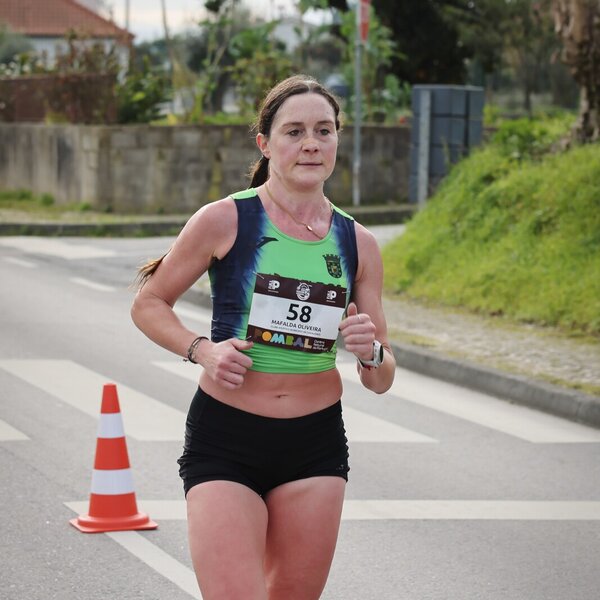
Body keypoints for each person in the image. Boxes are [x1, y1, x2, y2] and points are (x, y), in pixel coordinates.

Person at [131, 74, 396, 600]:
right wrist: (202, 350)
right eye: (294, 132)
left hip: (315, 445)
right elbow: (148, 303)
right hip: (227, 438)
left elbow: (382, 378)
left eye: (324, 130)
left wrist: (370, 350)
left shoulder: (358, 242)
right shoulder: (226, 219)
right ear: (265, 144)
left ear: (337, 140)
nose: (311, 144)